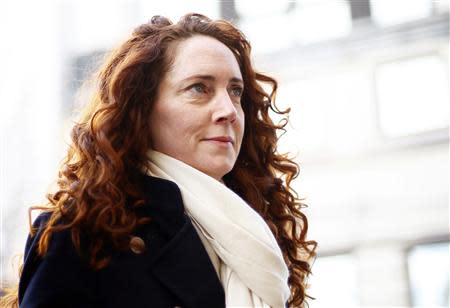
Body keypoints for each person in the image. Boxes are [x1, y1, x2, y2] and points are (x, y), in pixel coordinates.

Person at [3, 13, 317, 308]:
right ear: (143, 110)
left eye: (235, 92)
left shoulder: (261, 235)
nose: (229, 111)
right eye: (199, 88)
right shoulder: (83, 233)